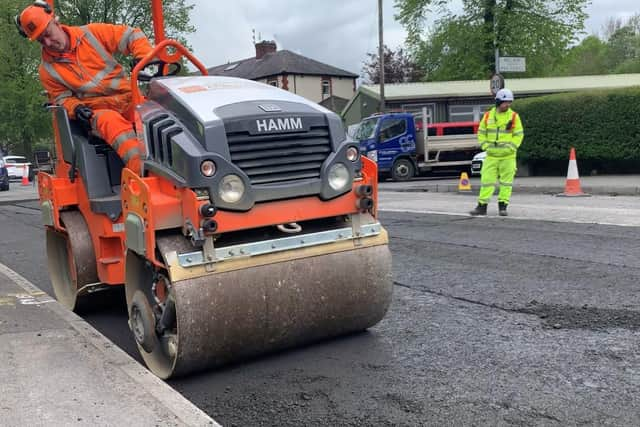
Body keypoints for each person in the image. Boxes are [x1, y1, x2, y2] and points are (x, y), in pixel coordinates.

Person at [15, 1, 153, 175]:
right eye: (42, 40)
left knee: (155, 118)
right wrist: (76, 108)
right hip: (98, 111)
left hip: (129, 98)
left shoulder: (92, 34)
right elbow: (61, 99)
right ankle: (143, 177)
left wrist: (144, 58)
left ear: (56, 22)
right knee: (116, 128)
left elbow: (132, 36)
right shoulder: (47, 70)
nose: (48, 42)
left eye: (48, 34)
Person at [470, 88, 524, 216]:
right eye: (506, 102)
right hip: (491, 156)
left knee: (506, 183)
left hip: (508, 156)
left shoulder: (514, 116)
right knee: (487, 181)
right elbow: (481, 132)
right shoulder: (488, 116)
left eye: (509, 102)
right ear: (498, 101)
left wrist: (511, 147)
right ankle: (482, 206)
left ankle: (503, 207)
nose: (508, 104)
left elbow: (519, 135)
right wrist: (485, 146)